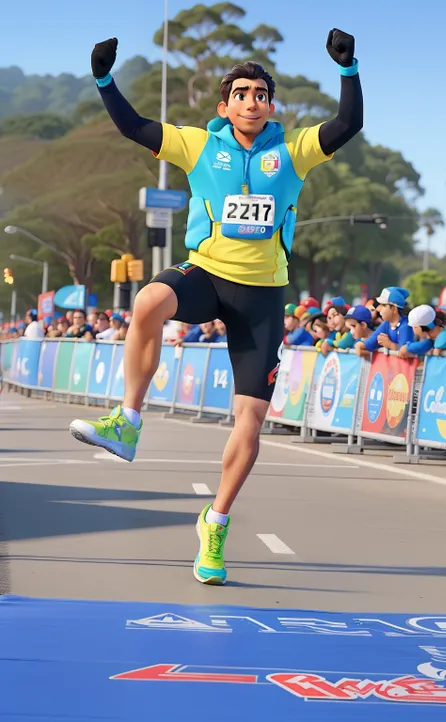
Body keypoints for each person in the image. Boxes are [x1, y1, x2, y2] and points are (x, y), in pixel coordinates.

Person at [70, 29, 363, 585]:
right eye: (243, 93)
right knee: (151, 298)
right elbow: (134, 127)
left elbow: (347, 125)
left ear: (270, 104)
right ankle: (127, 420)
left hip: (263, 295)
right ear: (224, 105)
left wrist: (348, 71)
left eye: (261, 93)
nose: (253, 101)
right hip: (206, 273)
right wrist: (104, 79)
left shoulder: (293, 150)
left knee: (250, 423)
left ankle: (216, 524)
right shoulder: (198, 144)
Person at [355, 286, 414, 357]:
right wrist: (359, 345)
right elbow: (369, 343)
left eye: (383, 305)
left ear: (394, 309)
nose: (379, 309)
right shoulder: (386, 324)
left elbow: (407, 352)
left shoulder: (405, 326)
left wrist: (390, 345)